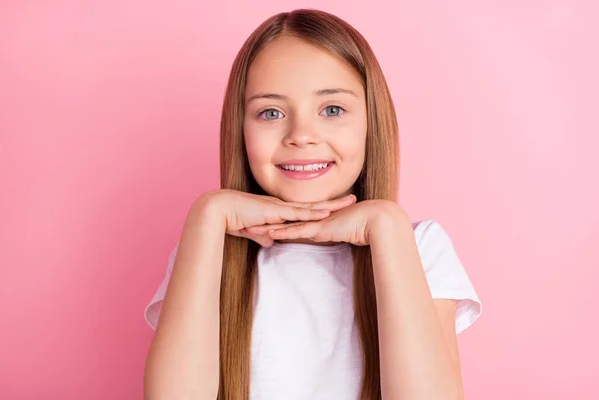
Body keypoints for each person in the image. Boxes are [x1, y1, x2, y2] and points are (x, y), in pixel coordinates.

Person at [143, 9, 481, 400]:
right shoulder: (208, 249)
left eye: (332, 110)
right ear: (241, 129)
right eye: (271, 112)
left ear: (372, 121)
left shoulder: (418, 246)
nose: (301, 135)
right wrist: (207, 215)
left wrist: (387, 226)